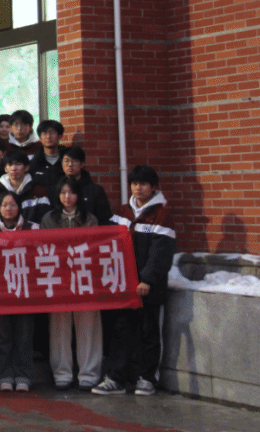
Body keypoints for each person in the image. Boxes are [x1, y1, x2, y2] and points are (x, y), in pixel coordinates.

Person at [93, 165, 176, 397]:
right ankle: (116, 379)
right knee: (120, 332)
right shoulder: (121, 213)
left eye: (143, 184)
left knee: (149, 333)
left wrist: (147, 279)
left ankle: (147, 379)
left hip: (149, 288)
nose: (138, 188)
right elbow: (108, 243)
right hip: (124, 286)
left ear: (154, 187)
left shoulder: (162, 216)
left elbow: (161, 253)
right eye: (134, 183)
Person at [41, 178, 102, 391]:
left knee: (88, 326)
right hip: (58, 278)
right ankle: (62, 373)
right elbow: (45, 247)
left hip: (84, 278)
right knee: (59, 327)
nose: (67, 197)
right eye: (63, 192)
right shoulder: (49, 219)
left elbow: (95, 247)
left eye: (71, 192)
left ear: (79, 195)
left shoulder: (90, 219)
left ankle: (89, 373)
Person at [0, 192, 38, 392]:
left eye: (13, 204)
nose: (8, 208)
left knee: (24, 336)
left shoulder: (33, 227)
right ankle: (5, 375)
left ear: (19, 207)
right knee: (2, 336)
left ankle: (24, 375)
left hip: (25, 289)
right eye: (4, 205)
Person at [0, 151, 51, 225]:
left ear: (26, 167)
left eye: (18, 164)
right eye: (10, 165)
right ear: (5, 169)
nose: (14, 168)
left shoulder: (38, 191)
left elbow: (44, 220)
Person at [55, 146, 112, 226]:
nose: (70, 164)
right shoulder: (56, 188)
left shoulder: (95, 190)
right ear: (62, 164)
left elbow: (104, 220)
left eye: (75, 161)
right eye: (66, 161)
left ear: (82, 164)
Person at [29, 120, 66, 187]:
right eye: (45, 133)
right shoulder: (34, 163)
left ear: (59, 136)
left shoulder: (68, 160)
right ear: (40, 138)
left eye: (52, 133)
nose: (48, 137)